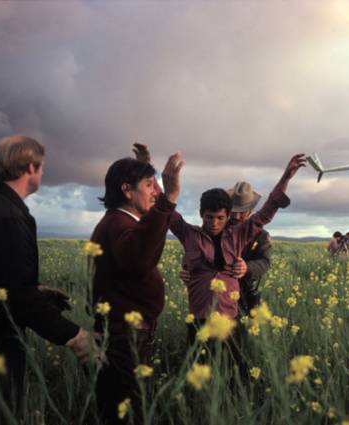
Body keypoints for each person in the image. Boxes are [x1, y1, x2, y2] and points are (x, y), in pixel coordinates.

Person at [0, 135, 96, 424]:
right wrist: (74, 336)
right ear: (30, 167)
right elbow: (16, 295)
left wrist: (37, 290)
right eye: (41, 167)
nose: (43, 173)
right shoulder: (7, 216)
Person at [90, 145, 183, 425]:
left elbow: (140, 243)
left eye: (155, 186)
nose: (154, 191)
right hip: (124, 340)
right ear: (127, 190)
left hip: (124, 337)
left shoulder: (120, 221)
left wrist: (145, 167)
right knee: (128, 414)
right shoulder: (119, 224)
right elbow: (138, 257)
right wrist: (169, 198)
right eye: (148, 185)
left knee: (124, 409)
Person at [169, 155, 305, 341]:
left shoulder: (244, 235)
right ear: (202, 215)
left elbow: (269, 210)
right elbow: (167, 212)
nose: (215, 223)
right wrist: (187, 269)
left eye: (220, 218)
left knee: (232, 363)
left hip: (234, 307)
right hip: (200, 315)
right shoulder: (191, 235)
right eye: (210, 217)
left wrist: (285, 178)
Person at [180, 181, 271, 316]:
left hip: (243, 293)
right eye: (234, 211)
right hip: (212, 296)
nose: (237, 216)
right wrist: (186, 269)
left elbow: (265, 262)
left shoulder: (261, 235)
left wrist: (247, 268)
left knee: (238, 335)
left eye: (242, 212)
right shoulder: (217, 228)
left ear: (251, 211)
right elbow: (195, 248)